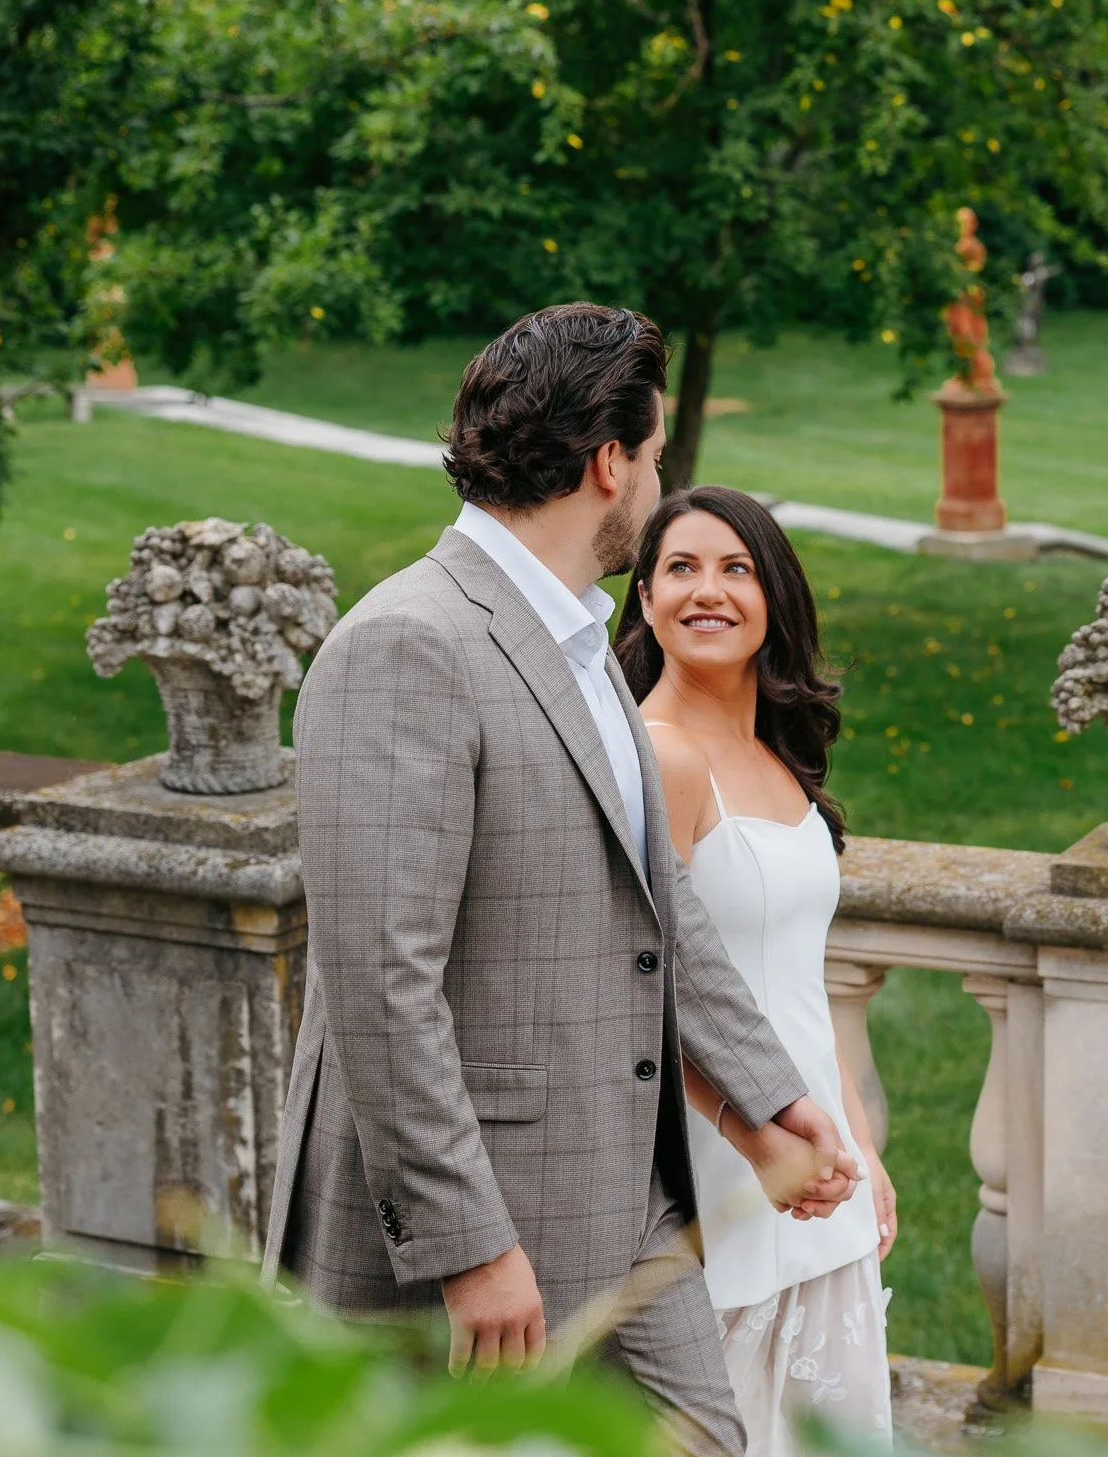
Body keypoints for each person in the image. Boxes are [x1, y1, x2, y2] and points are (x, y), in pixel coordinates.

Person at [261, 303, 862, 1457]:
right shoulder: (407, 645)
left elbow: (656, 902)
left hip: (624, 1192)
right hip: (477, 1220)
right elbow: (380, 978)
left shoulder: (582, 641)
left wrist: (769, 1098)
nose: (655, 482)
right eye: (651, 458)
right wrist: (466, 1247)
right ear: (605, 464)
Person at [617, 485, 897, 1456]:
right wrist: (755, 1139)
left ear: (773, 594)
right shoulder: (659, 757)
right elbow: (637, 991)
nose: (709, 591)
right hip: (720, 1162)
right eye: (680, 568)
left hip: (817, 1154)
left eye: (735, 568)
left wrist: (861, 1144)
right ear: (643, 598)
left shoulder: (777, 755)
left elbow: (799, 987)